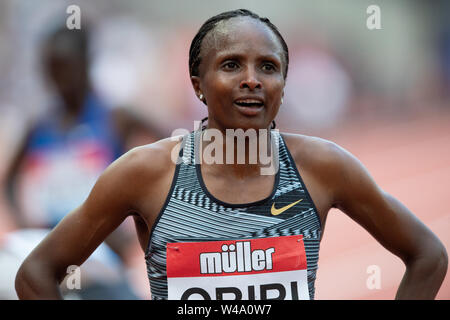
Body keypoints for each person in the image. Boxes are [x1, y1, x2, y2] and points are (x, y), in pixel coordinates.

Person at [15, 9, 447, 300]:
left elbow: (428, 255)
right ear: (197, 83)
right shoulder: (145, 173)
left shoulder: (323, 167)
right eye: (231, 65)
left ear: (283, 82)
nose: (252, 80)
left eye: (268, 67)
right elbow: (36, 274)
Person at [5, 25, 161, 299]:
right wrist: (24, 221)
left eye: (65, 68)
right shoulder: (39, 127)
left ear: (85, 64)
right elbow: (8, 181)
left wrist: (144, 216)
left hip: (106, 252)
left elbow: (174, 150)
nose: (58, 80)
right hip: (51, 250)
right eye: (51, 70)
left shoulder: (115, 118)